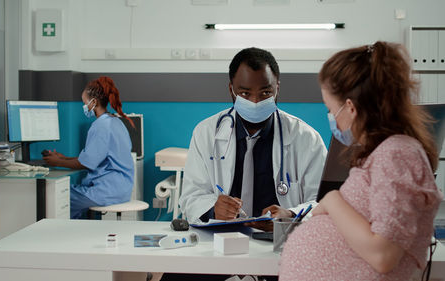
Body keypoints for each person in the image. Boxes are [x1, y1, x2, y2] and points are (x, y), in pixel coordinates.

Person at [280, 41, 443, 281]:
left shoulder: (397, 154)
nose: (331, 118)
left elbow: (383, 254)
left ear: (350, 107)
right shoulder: (383, 154)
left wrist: (333, 201)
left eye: (330, 108)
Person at [180, 47, 327, 229]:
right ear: (231, 90)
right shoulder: (206, 133)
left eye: (265, 93)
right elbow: (191, 197)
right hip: (223, 239)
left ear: (277, 88)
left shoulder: (306, 139)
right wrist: (213, 209)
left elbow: (324, 202)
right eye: (245, 93)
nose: (255, 102)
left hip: (280, 242)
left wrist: (290, 215)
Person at [43, 76, 135, 219]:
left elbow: (86, 163)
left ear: (94, 102)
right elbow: (95, 157)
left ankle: (63, 236)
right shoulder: (116, 122)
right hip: (121, 189)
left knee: (61, 197)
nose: (84, 107)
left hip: (107, 191)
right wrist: (63, 158)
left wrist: (57, 162)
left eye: (85, 103)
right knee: (73, 197)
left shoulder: (101, 126)